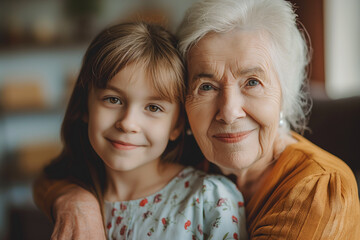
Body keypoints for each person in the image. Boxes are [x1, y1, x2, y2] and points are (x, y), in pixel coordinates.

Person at [34, 0, 360, 239]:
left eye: (252, 82)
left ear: (285, 93)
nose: (229, 111)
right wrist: (75, 201)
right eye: (206, 86)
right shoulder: (194, 153)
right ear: (183, 105)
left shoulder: (318, 189)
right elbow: (58, 174)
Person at [36, 21, 247, 240]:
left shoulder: (210, 200)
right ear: (84, 106)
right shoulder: (68, 204)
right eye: (113, 99)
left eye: (153, 107)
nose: (127, 123)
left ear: (177, 125)